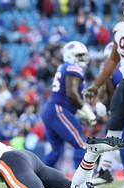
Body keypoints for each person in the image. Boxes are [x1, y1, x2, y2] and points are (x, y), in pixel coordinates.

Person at [83, 0, 124, 188]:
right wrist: (96, 85)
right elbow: (113, 60)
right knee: (114, 126)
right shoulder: (119, 29)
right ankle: (105, 170)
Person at [91, 42, 124, 188]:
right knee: (111, 143)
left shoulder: (120, 72)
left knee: (120, 142)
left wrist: (107, 107)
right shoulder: (123, 70)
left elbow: (120, 97)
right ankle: (103, 176)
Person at [41, 41, 97, 169]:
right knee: (81, 144)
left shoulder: (64, 67)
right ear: (71, 55)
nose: (83, 59)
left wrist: (82, 113)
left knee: (56, 150)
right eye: (80, 55)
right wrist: (87, 112)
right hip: (58, 110)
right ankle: (81, 181)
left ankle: (38, 177)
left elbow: (68, 97)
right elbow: (71, 94)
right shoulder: (73, 67)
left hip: (51, 110)